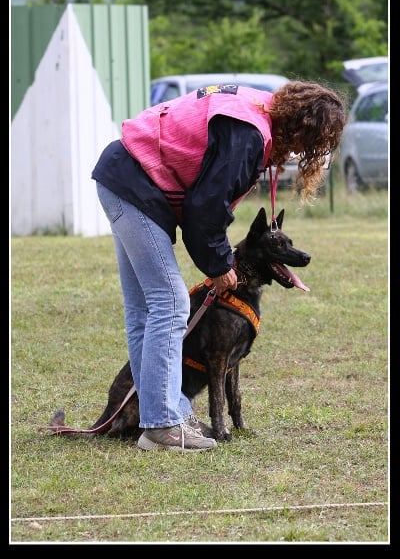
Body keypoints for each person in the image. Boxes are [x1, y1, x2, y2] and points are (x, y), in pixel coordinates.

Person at [92, 80, 346, 452]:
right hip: (134, 183)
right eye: (311, 144)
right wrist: (219, 264)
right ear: (302, 129)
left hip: (123, 173)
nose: (301, 153)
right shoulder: (248, 134)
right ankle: (162, 425)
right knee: (170, 303)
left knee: (146, 309)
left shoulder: (257, 109)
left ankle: (166, 413)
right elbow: (206, 206)